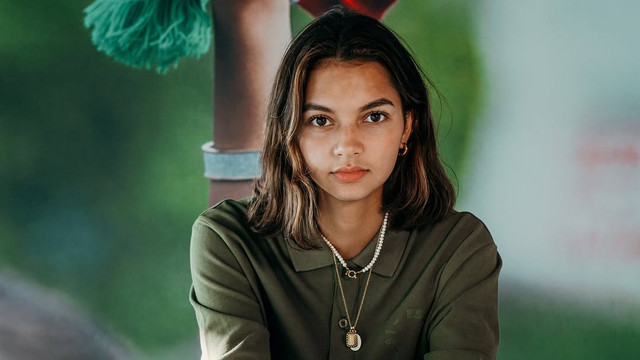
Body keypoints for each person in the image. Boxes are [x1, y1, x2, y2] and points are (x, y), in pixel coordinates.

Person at [189, 6, 501, 360]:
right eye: (321, 120)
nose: (348, 146)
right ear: (289, 131)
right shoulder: (228, 240)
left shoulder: (459, 248)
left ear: (407, 127)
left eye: (374, 116)